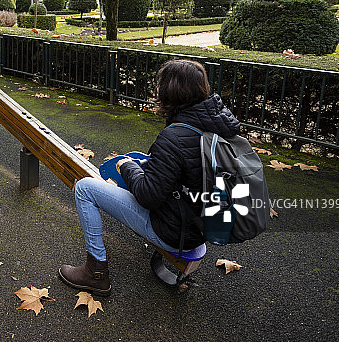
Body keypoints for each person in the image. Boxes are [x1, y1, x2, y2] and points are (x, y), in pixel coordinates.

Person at [59, 59, 240, 296]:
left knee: (85, 188)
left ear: (170, 92)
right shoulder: (218, 127)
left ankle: (95, 273)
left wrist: (127, 166)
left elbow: (148, 196)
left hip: (173, 232)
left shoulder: (174, 136)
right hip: (203, 226)